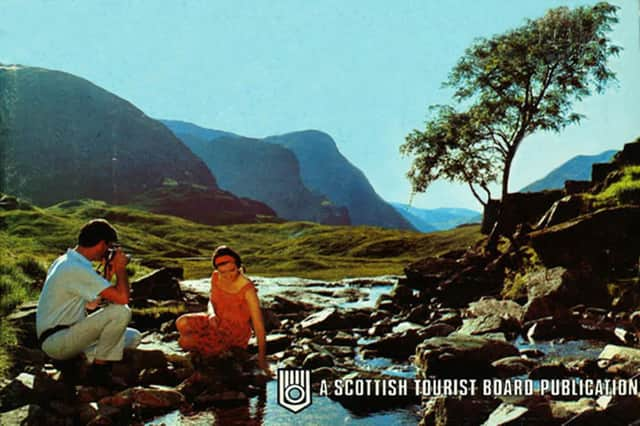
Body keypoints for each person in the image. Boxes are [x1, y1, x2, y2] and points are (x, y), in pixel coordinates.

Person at [36, 219, 141, 384]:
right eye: (109, 247)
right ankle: (99, 372)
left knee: (133, 337)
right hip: (58, 340)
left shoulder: (66, 261)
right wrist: (120, 268)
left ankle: (79, 361)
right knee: (122, 311)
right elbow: (123, 299)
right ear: (101, 244)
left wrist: (108, 273)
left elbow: (92, 304)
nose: (108, 251)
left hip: (67, 335)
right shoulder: (74, 268)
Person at [176, 245, 271, 375]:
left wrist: (262, 357)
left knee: (185, 341)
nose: (228, 276)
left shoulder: (247, 289)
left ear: (238, 266)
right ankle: (204, 348)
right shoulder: (215, 277)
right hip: (215, 320)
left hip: (233, 332)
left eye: (231, 270)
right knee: (181, 322)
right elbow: (212, 301)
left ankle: (211, 351)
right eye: (223, 272)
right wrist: (211, 315)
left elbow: (258, 325)